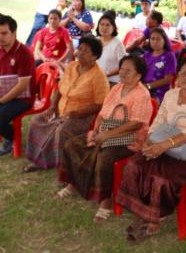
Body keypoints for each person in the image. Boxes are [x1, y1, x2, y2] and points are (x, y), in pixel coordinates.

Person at [116, 57, 186, 241]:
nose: (185, 77)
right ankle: (142, 213)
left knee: (161, 179)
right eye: (183, 73)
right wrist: (149, 141)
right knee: (134, 165)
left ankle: (155, 218)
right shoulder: (170, 95)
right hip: (161, 145)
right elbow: (158, 120)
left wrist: (164, 145)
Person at [57, 55, 152, 221]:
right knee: (72, 144)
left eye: (128, 70)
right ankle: (74, 183)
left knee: (105, 156)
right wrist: (96, 130)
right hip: (105, 131)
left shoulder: (142, 94)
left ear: (138, 75)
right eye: (122, 69)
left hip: (129, 139)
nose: (123, 72)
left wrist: (106, 135)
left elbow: (135, 124)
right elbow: (102, 113)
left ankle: (105, 200)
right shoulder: (116, 88)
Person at [23, 37, 109, 172]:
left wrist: (76, 113)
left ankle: (62, 166)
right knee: (36, 121)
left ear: (95, 56)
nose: (80, 52)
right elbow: (60, 88)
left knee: (62, 130)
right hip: (60, 110)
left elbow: (100, 104)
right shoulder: (72, 66)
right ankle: (39, 160)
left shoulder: (99, 76)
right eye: (80, 48)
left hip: (82, 117)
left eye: (85, 51)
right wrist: (53, 107)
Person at [0, 15, 35, 156]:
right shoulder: (1, 49)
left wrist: (2, 101)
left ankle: (12, 137)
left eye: (4, 33)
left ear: (14, 33)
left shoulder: (24, 53)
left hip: (22, 98)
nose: (0, 37)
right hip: (5, 93)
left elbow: (22, 85)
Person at [142, 28, 177, 103]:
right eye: (152, 39)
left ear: (164, 41)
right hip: (144, 88)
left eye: (158, 39)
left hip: (160, 92)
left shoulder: (169, 56)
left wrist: (148, 86)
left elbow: (168, 79)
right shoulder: (146, 55)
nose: (155, 42)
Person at [96, 12, 126, 87]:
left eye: (108, 25)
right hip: (96, 78)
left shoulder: (118, 44)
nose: (104, 27)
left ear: (113, 28)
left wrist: (106, 74)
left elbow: (123, 65)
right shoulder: (95, 41)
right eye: (102, 24)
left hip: (112, 81)